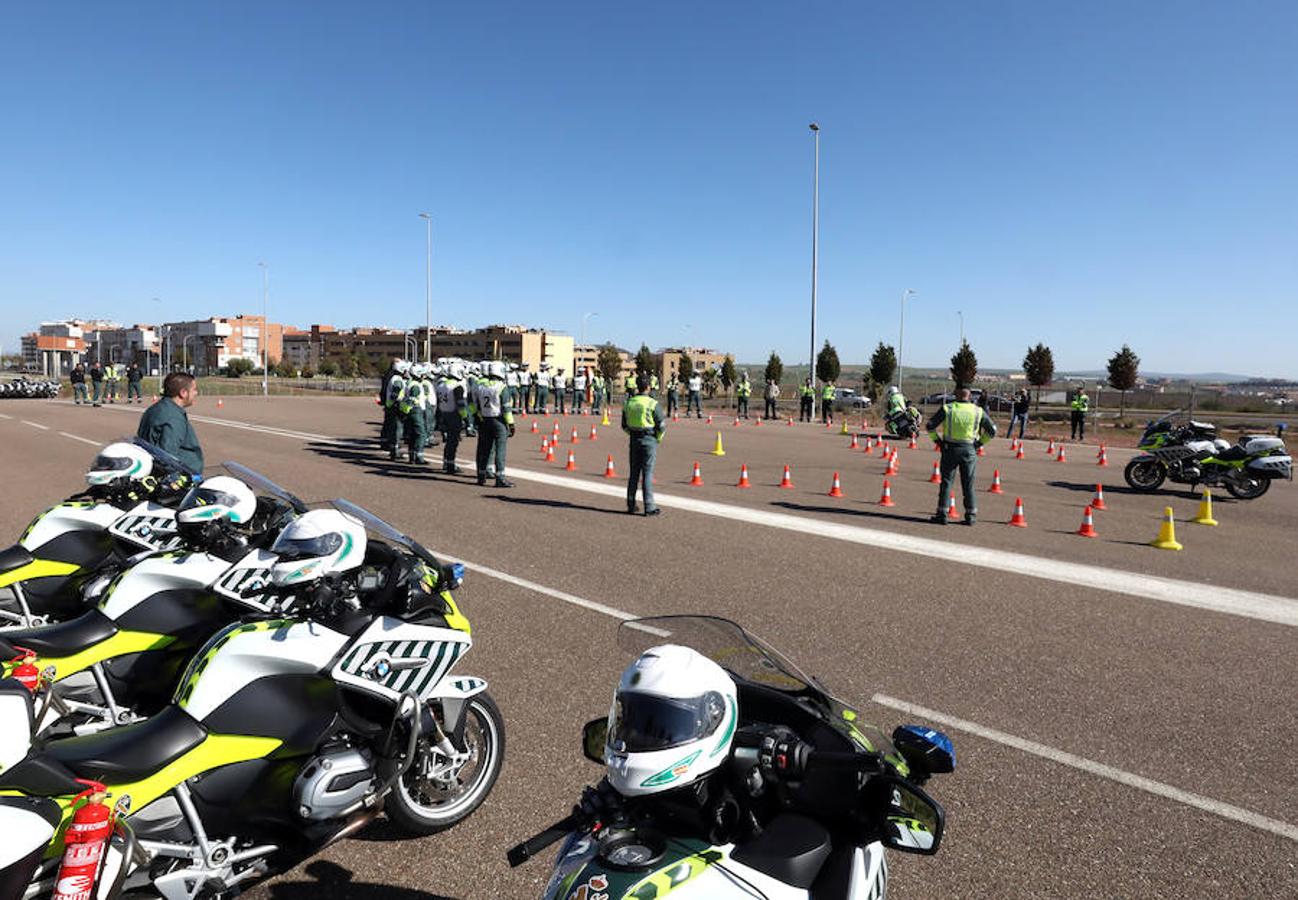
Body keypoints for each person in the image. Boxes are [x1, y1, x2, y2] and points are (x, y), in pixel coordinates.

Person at [926, 387, 996, 526]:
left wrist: (938, 442)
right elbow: (992, 431)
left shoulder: (948, 408)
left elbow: (930, 426)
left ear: (956, 394)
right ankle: (971, 515)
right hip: (969, 449)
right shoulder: (977, 411)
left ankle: (942, 514)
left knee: (946, 482)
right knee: (968, 484)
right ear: (970, 395)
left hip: (950, 449)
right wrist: (979, 443)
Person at [137, 372, 204, 475]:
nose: (196, 393)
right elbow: (168, 458)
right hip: (180, 479)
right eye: (194, 390)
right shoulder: (174, 418)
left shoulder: (155, 409)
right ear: (183, 393)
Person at [622, 374, 666, 516]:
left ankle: (631, 504)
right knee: (647, 473)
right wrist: (657, 438)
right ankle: (649, 506)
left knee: (633, 473)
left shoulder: (629, 402)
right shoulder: (652, 403)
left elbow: (624, 425)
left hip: (634, 439)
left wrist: (633, 434)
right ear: (648, 387)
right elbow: (661, 425)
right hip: (649, 439)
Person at [472, 360, 515, 487]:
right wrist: (511, 424)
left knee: (484, 449)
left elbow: (477, 405)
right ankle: (500, 477)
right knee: (500, 450)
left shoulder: (481, 386)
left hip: (485, 420)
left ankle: (481, 475)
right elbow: (506, 409)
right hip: (498, 421)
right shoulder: (502, 387)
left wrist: (479, 418)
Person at [436, 362, 471, 475]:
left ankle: (446, 462)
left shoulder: (441, 385)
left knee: (448, 441)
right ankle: (450, 464)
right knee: (453, 441)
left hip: (443, 413)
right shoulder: (457, 386)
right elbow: (461, 405)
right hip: (453, 415)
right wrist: (466, 419)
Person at [381, 359, 409, 452]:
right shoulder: (397, 380)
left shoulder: (392, 377)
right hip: (396, 407)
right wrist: (400, 404)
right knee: (397, 429)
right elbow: (395, 394)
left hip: (391, 406)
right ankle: (395, 449)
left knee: (392, 427)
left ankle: (392, 447)